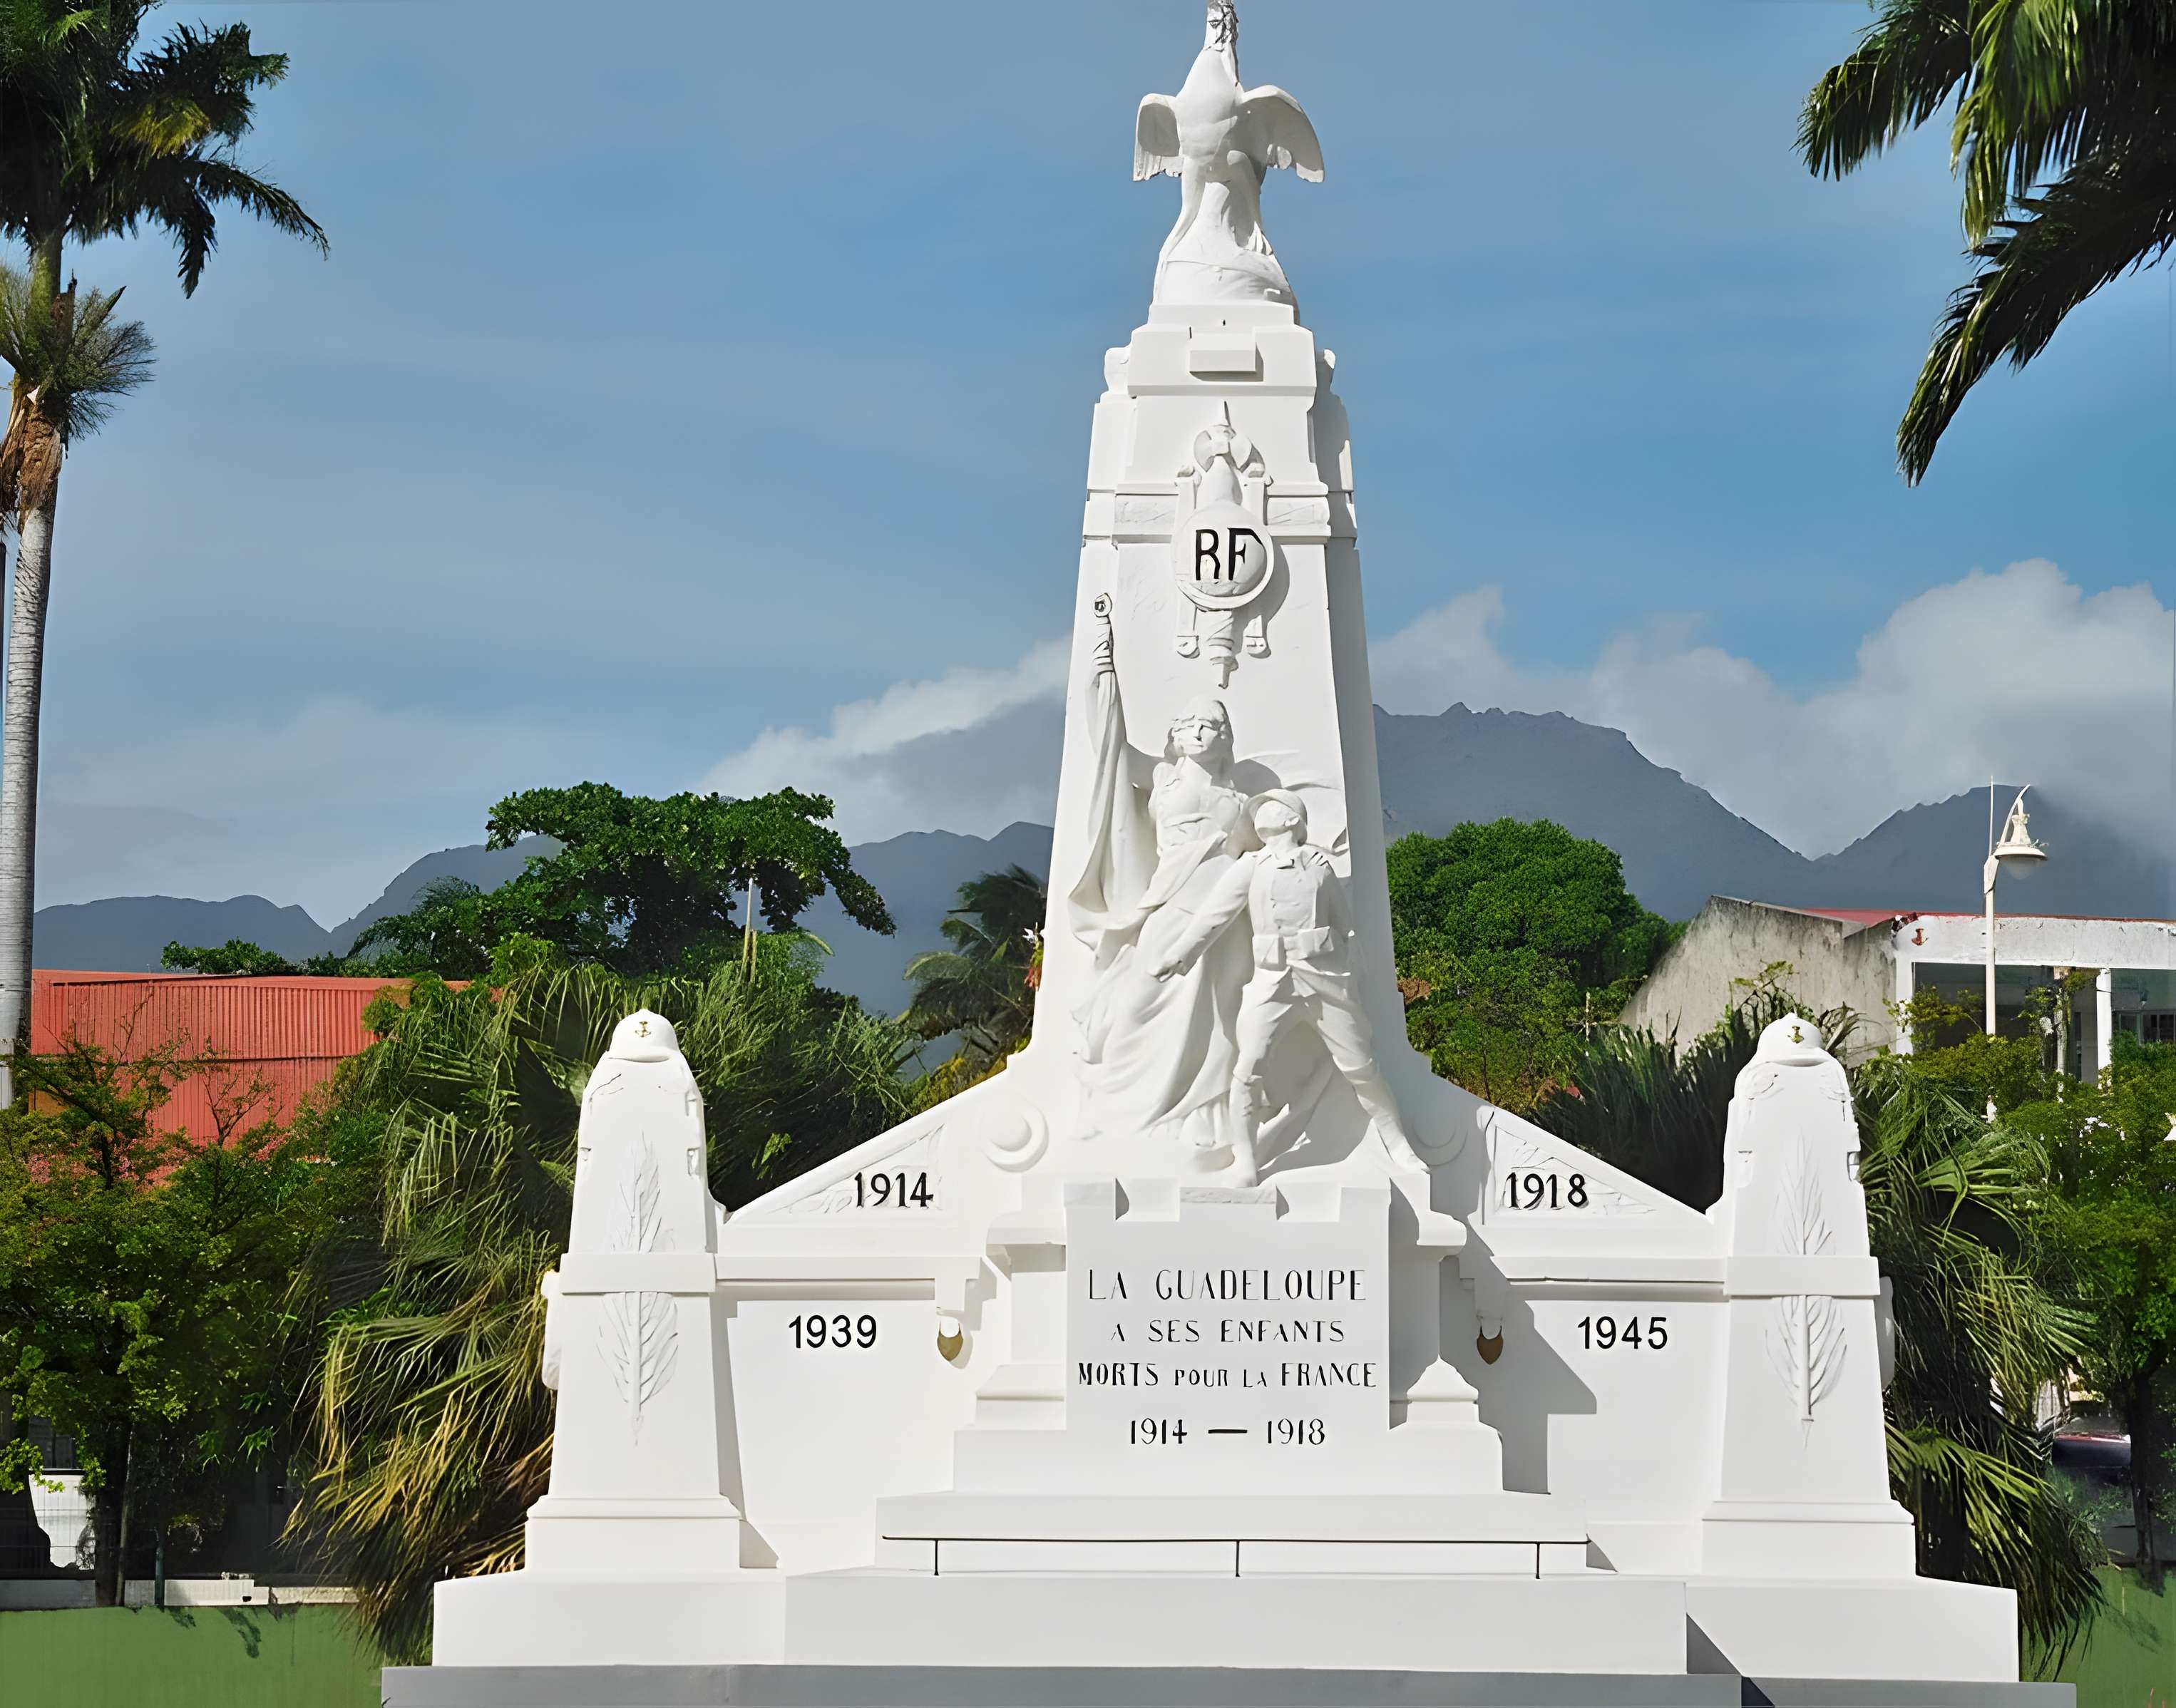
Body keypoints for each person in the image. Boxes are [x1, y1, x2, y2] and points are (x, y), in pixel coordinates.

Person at [1154, 790, 1424, 1177]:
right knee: (1248, 1070)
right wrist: (1180, 953)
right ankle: (1246, 1160)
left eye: (1273, 805)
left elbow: (1345, 926)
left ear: (1293, 820)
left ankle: (1399, 1144)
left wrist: (1352, 977)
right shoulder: (1251, 867)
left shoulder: (1319, 866)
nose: (1261, 810)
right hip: (1272, 980)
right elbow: (1214, 915)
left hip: (1324, 979)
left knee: (1361, 1066)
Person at [1067, 601, 1253, 1161]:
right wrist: (1102, 663)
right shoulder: (1164, 778)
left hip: (1222, 913)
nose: (1200, 732)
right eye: (1191, 724)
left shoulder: (1241, 801)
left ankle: (1204, 1119)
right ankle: (1115, 1110)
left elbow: (1260, 855)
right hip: (1169, 904)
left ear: (1226, 739)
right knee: (1138, 1001)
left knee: (1217, 1018)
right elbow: (1108, 743)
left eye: (1211, 726)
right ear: (1175, 736)